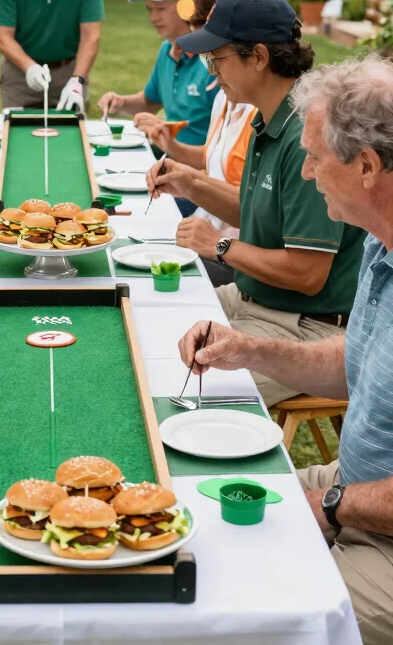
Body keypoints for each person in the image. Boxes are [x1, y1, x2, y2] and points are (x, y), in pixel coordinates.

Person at [178, 55, 393, 645]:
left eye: (316, 158)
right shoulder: (381, 243)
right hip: (358, 487)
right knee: (193, 514)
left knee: (228, 612)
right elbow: (357, 361)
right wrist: (247, 349)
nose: (305, 172)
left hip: (378, 528)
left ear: (367, 166)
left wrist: (332, 505)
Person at [148, 0, 366, 406]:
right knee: (147, 325)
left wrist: (220, 246)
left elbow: (308, 274)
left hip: (306, 327)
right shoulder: (271, 119)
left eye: (217, 58)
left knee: (171, 389)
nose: (211, 72)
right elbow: (258, 213)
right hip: (255, 301)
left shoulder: (306, 138)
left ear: (260, 57)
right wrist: (193, 184)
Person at [137, 0, 257, 286]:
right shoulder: (224, 98)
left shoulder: (266, 115)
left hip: (227, 257)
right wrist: (180, 166)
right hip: (204, 236)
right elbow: (213, 161)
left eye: (214, 55)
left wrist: (192, 184)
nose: (209, 69)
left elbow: (255, 213)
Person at [98, 0, 218, 217]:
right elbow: (150, 101)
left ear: (189, 8)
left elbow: (221, 156)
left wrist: (170, 146)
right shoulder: (167, 50)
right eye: (149, 9)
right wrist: (120, 103)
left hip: (200, 181)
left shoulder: (212, 62)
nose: (153, 18)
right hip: (169, 163)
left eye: (161, 9)